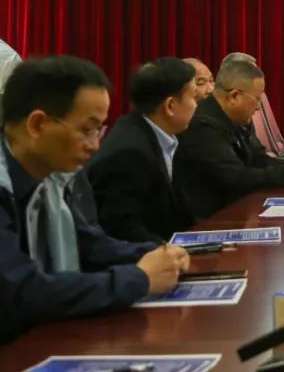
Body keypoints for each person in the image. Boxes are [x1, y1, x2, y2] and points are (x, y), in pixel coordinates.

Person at [0, 56, 189, 343]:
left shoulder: (48, 176)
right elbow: (21, 292)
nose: (95, 145)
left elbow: (87, 244)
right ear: (37, 124)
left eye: (99, 130)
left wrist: (156, 254)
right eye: (86, 130)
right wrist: (139, 279)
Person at [175, 59, 284, 220]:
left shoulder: (238, 118)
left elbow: (260, 160)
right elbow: (238, 178)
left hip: (238, 209)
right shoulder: (202, 125)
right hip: (210, 220)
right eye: (257, 99)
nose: (258, 107)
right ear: (234, 96)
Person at [89, 57, 198, 243]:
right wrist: (168, 252)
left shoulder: (157, 135)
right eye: (193, 97)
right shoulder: (129, 153)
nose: (196, 105)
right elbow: (121, 230)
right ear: (170, 105)